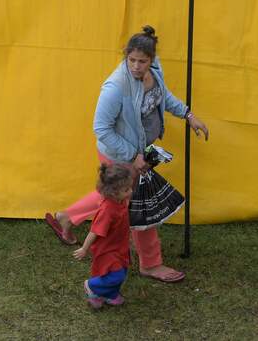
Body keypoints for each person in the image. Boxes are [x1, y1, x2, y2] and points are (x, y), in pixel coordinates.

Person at [45, 25, 209, 282]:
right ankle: (151, 264)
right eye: (131, 60)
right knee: (141, 208)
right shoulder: (116, 87)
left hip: (141, 154)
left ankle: (66, 217)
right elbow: (101, 128)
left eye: (142, 61)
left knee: (115, 198)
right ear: (125, 57)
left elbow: (163, 97)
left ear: (151, 60)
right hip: (121, 156)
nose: (136, 66)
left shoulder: (154, 71)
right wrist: (133, 156)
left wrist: (189, 115)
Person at [72, 164, 134, 308]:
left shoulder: (122, 200)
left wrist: (129, 239)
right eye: (126, 190)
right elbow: (94, 231)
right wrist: (84, 248)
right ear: (112, 192)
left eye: (130, 187)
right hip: (108, 249)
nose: (130, 192)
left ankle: (108, 295)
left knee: (123, 271)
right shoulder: (107, 210)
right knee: (115, 275)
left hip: (119, 245)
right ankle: (92, 286)